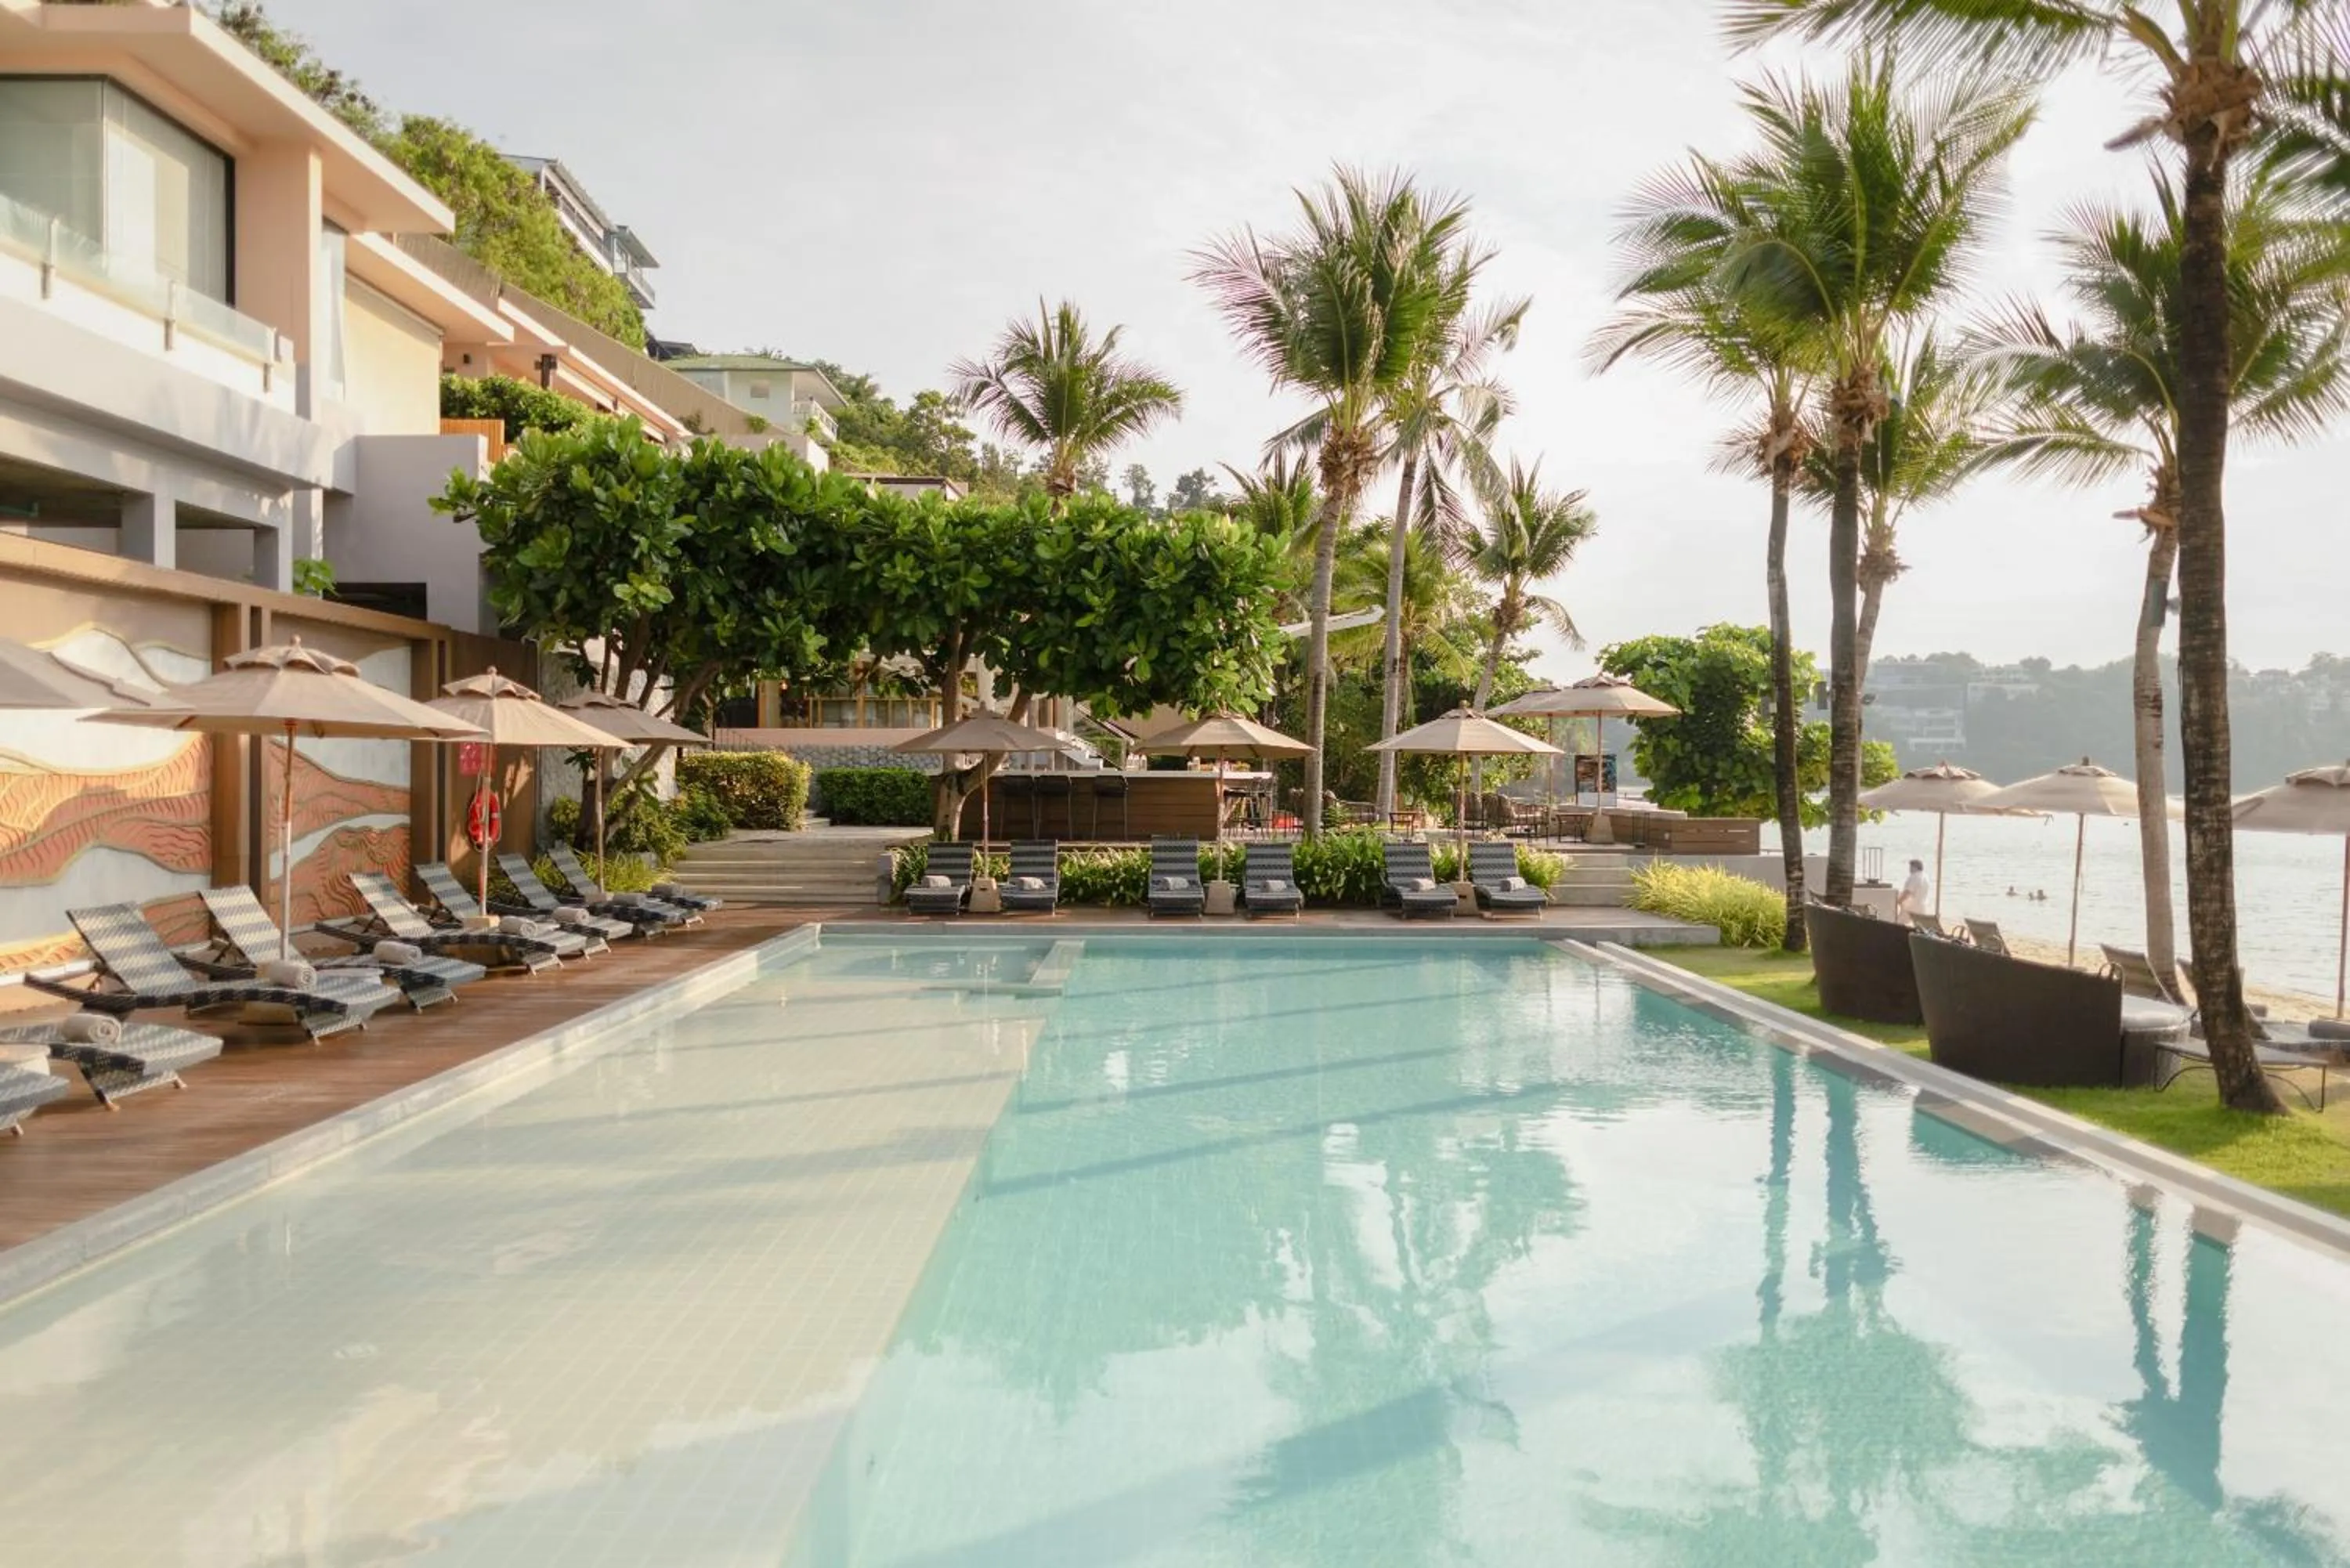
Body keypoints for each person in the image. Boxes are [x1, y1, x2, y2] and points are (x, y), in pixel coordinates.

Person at [1896, 858, 1931, 926]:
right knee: (1919, 926)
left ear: (1915, 867)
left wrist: (1899, 901)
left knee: (1899, 924)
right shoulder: (1926, 877)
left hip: (1911, 907)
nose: (1910, 869)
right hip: (1922, 906)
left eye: (1911, 867)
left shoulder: (1914, 877)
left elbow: (1908, 892)